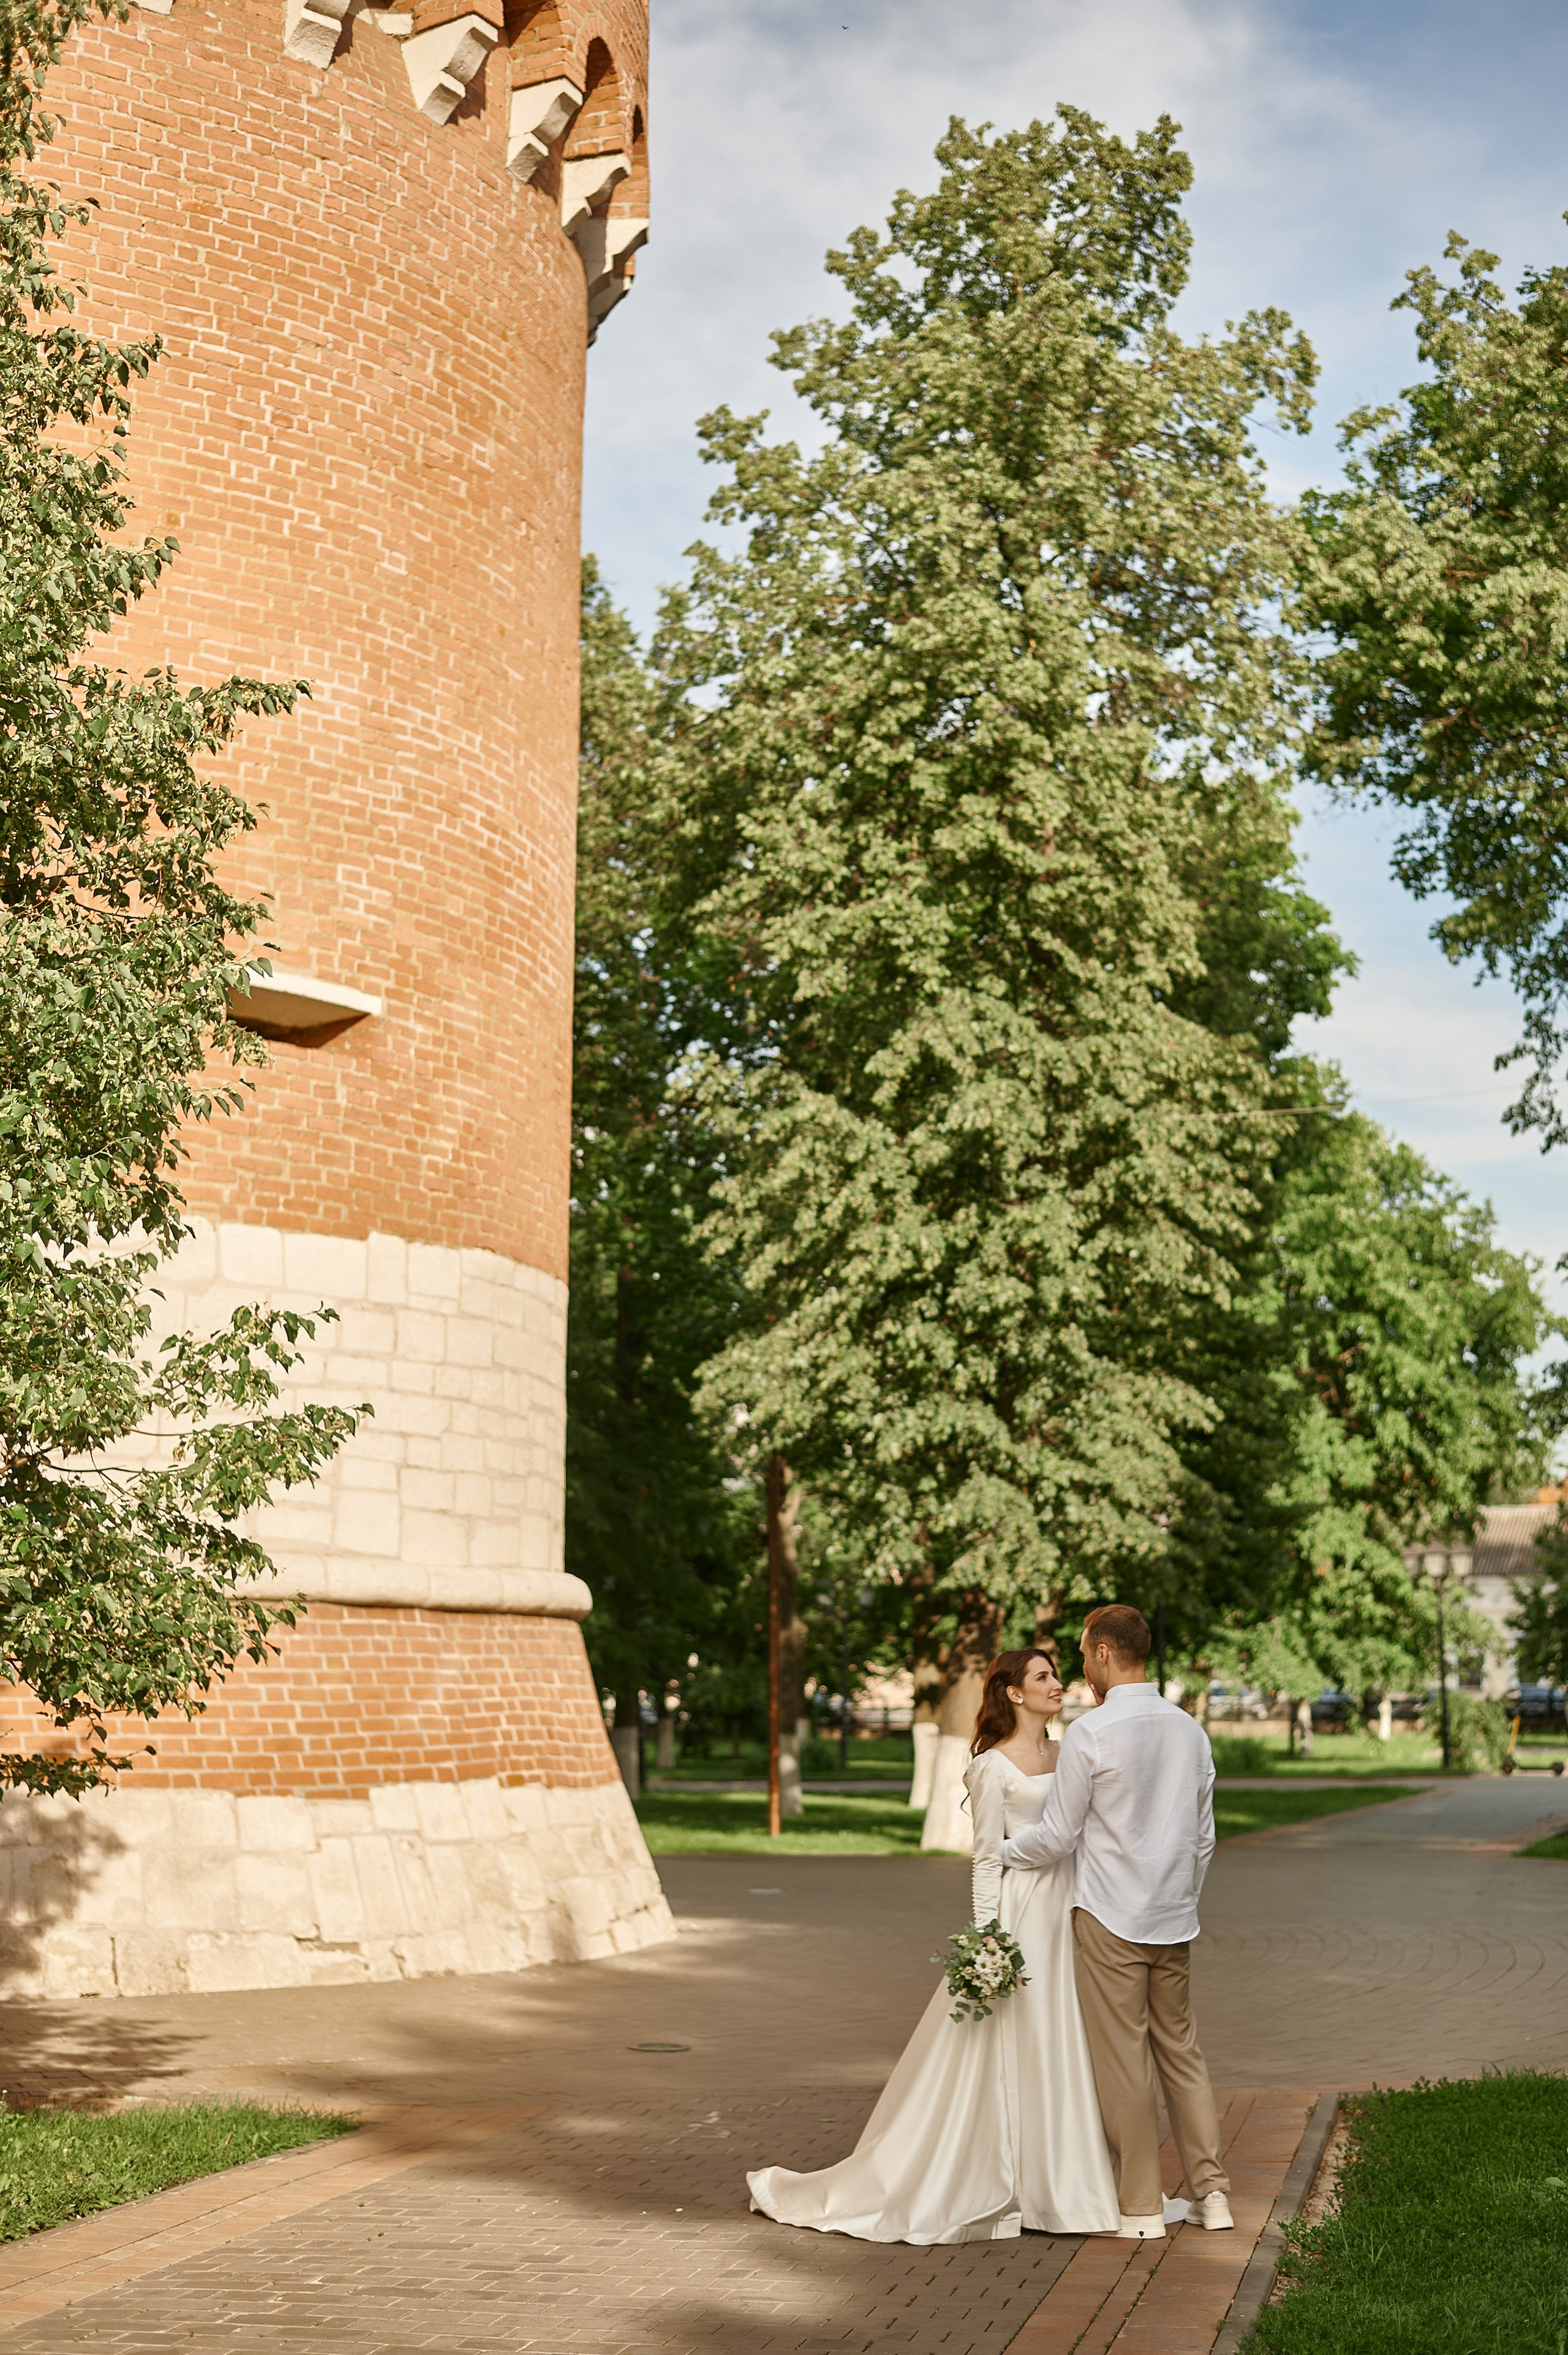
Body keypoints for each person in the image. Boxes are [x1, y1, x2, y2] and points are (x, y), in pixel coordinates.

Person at [745, 1647, 1119, 2244]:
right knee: (1016, 2040)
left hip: (1072, 1910)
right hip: (1021, 1917)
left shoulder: (1071, 1749)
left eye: (1055, 1673)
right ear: (1014, 1693)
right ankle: (994, 2183)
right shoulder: (991, 1767)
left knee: (1062, 2041)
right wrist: (987, 1940)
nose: (1057, 1683)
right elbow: (985, 1860)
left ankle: (1062, 2188)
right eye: (1043, 1676)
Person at [1002, 1603, 1233, 2242]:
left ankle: (1138, 2208)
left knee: (1124, 2061)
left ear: (1104, 1653)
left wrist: (1003, 1849)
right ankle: (1212, 2195)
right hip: (1173, 1917)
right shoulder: (1189, 1730)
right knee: (1181, 2054)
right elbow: (1205, 1837)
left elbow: (1057, 1834)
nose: (1079, 1666)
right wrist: (1180, 1895)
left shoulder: (1091, 1732)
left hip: (1108, 1917)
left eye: (1081, 1653)